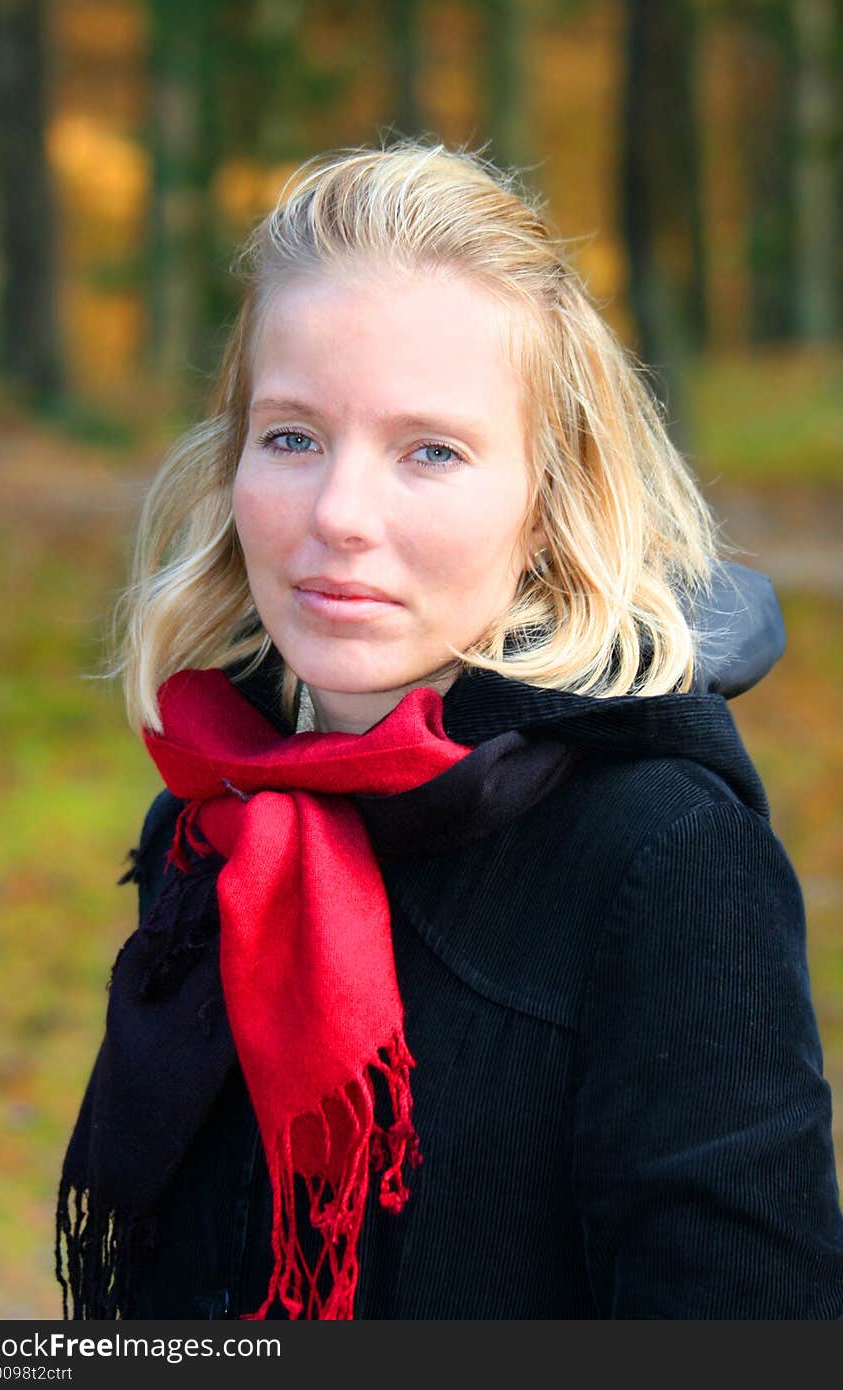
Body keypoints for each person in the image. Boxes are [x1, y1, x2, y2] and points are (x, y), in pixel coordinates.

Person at [56, 139, 843, 1320]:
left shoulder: (660, 857)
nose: (339, 515)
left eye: (430, 451)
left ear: (545, 503)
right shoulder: (220, 820)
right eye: (292, 436)